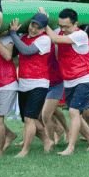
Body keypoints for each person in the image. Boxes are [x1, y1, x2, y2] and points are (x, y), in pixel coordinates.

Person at [42, 8, 89, 155]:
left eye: (66, 26)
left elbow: (55, 39)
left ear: (75, 24)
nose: (63, 30)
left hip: (84, 78)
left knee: (73, 112)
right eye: (60, 26)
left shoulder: (80, 35)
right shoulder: (61, 32)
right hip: (69, 80)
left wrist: (44, 21)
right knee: (76, 115)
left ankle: (71, 148)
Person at [9, 13, 55, 156]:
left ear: (44, 29)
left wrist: (13, 34)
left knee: (29, 118)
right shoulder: (24, 37)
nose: (33, 29)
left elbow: (26, 51)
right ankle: (47, 141)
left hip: (38, 83)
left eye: (38, 28)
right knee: (27, 119)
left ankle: (25, 151)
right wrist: (11, 35)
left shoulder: (45, 39)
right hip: (23, 83)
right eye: (32, 25)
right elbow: (14, 52)